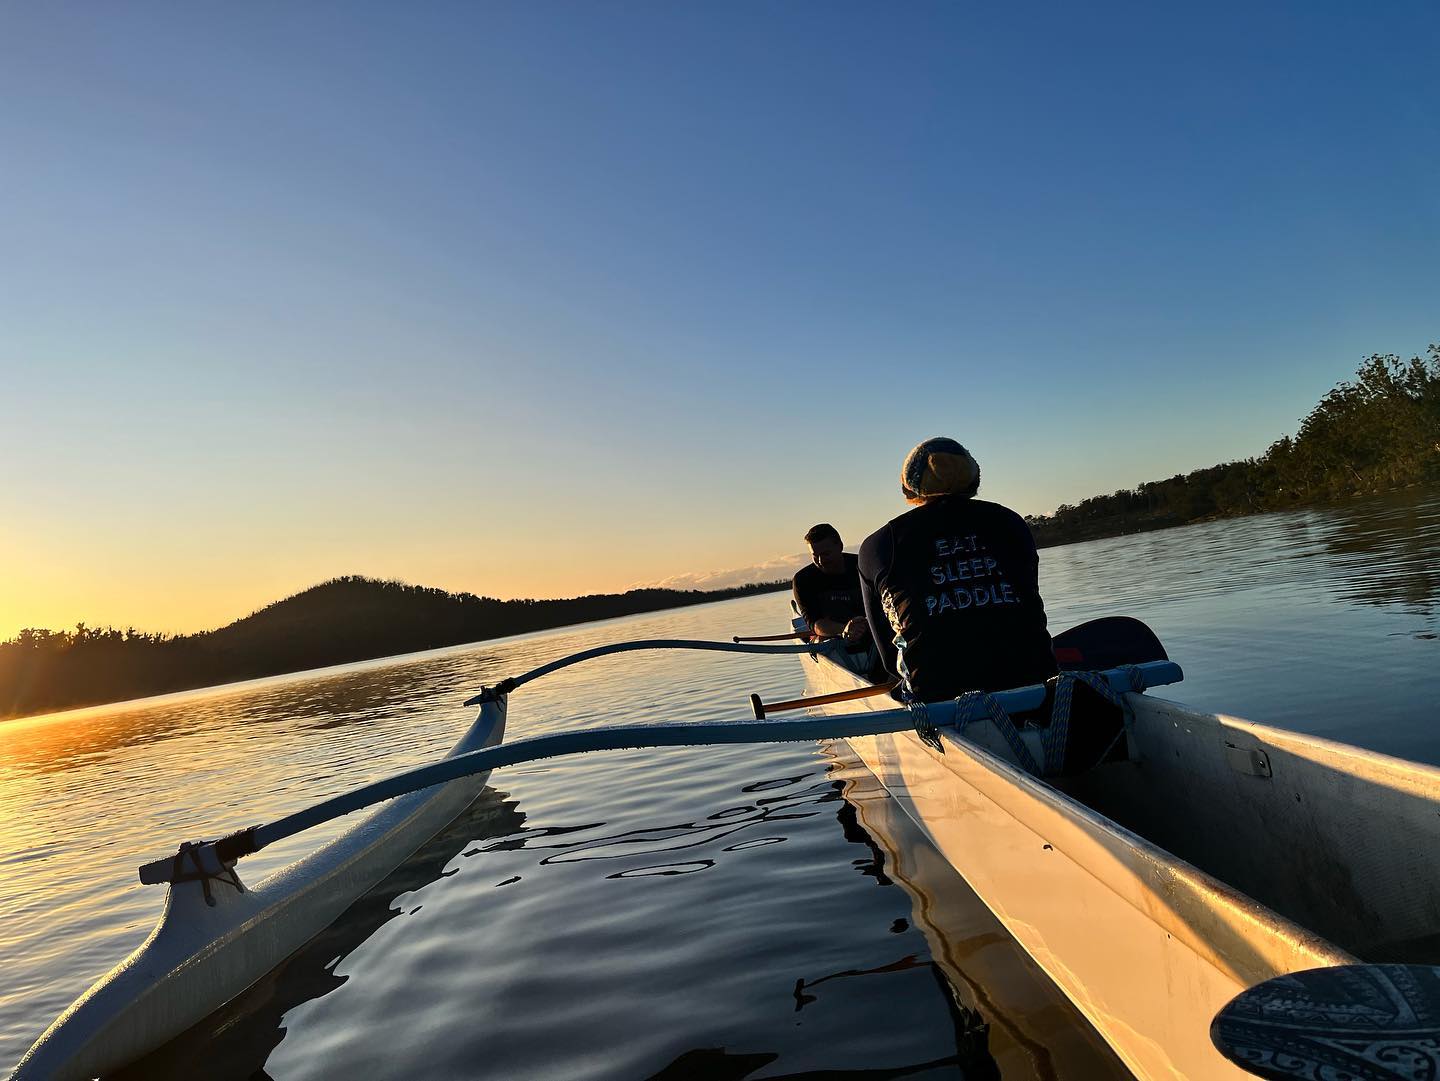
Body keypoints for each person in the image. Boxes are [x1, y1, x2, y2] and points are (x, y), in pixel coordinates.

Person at [858, 437, 1057, 702]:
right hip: (1038, 684)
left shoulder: (879, 544)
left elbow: (886, 655)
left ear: (909, 489)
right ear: (973, 481)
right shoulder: (1010, 522)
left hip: (938, 698)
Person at [792, 523, 876, 673]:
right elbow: (816, 624)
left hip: (872, 633)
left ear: (840, 546)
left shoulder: (863, 565)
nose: (821, 561)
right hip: (833, 640)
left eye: (826, 554)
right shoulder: (803, 580)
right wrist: (844, 629)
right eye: (815, 556)